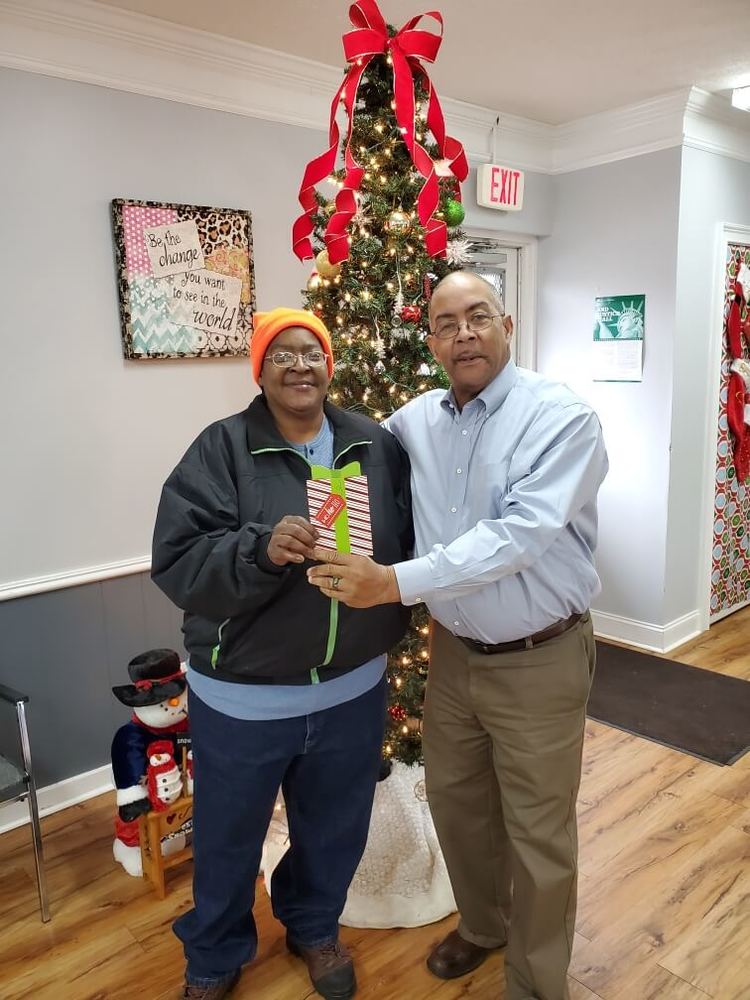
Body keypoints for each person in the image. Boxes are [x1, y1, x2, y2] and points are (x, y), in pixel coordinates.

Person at [308, 271, 608, 1000]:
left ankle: (536, 984)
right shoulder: (417, 421)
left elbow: (518, 536)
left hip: (541, 658)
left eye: (478, 316)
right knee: (457, 802)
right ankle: (483, 923)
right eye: (447, 323)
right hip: (454, 660)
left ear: (507, 324)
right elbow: (347, 451)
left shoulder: (561, 418)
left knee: (538, 832)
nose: (464, 333)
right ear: (433, 340)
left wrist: (395, 582)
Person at [151, 308, 412, 1000]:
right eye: (282, 354)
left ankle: (313, 926)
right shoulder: (222, 449)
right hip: (244, 696)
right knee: (229, 839)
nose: (300, 365)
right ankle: (214, 955)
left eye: (312, 352)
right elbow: (176, 561)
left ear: (330, 365)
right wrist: (257, 549)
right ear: (260, 370)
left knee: (334, 829)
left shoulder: (372, 443)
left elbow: (412, 543)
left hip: (353, 688)